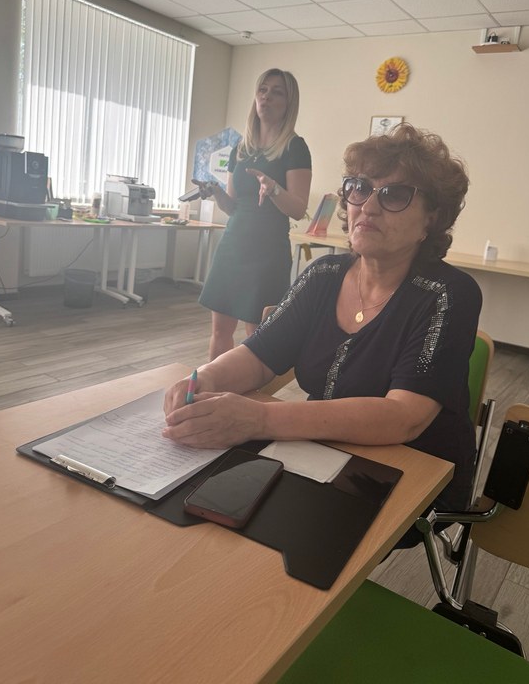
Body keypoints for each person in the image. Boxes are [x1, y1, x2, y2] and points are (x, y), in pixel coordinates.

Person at [165, 124, 482, 545]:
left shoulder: (447, 294)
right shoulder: (324, 275)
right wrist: (202, 379)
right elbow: (258, 356)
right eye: (359, 188)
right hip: (316, 450)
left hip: (412, 472)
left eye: (394, 195)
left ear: (432, 218)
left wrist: (259, 419)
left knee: (265, 541)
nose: (368, 206)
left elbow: (403, 417)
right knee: (203, 518)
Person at [195, 68, 312, 360]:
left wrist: (273, 189)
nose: (267, 97)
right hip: (233, 245)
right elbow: (232, 206)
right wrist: (216, 192)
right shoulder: (241, 148)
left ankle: (246, 391)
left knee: (257, 338)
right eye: (263, 90)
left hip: (267, 251)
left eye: (277, 92)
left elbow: (298, 209)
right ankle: (215, 385)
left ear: (289, 103)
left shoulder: (295, 147)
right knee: (220, 331)